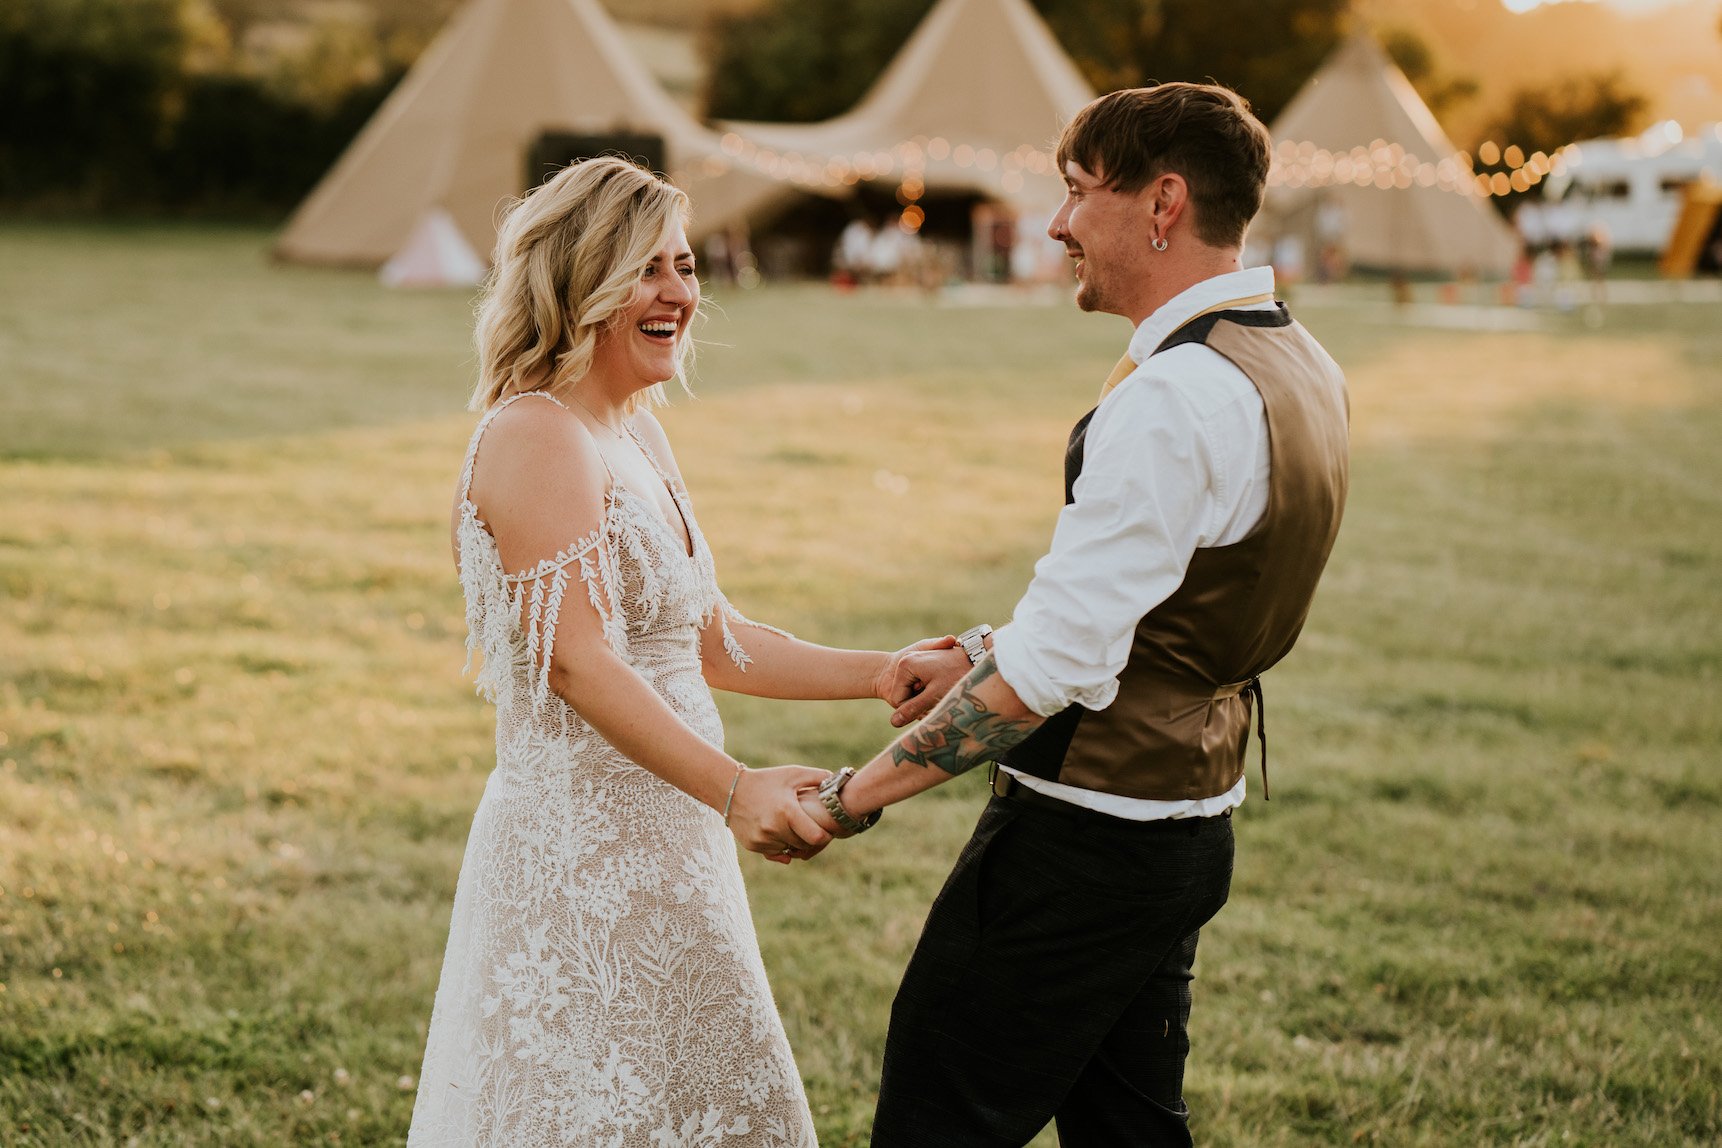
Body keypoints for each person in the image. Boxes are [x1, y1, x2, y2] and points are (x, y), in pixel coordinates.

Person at [799, 84, 1351, 1145]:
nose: (1056, 224)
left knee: (936, 1116)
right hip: (1188, 826)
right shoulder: (1299, 361)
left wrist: (848, 797)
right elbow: (1163, 596)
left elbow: (1049, 673)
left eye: (1077, 191)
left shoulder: (1174, 396)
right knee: (1128, 1128)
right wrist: (979, 647)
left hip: (1083, 843)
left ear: (1163, 203)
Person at [407, 156, 942, 1147]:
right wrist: (735, 789)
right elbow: (577, 662)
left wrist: (879, 672)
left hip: (672, 839)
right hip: (581, 854)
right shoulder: (536, 433)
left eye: (686, 267)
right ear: (580, 280)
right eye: (646, 269)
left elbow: (711, 639)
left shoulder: (639, 435)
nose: (679, 293)